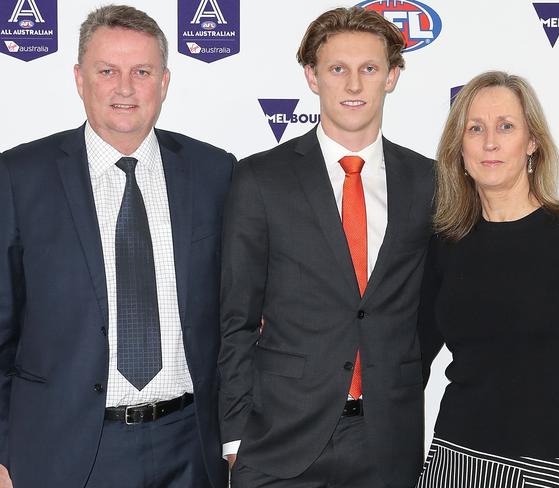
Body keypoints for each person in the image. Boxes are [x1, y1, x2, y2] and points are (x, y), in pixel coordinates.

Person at [0, 5, 234, 488]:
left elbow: (241, 318)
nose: (125, 88)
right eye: (107, 71)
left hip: (190, 446)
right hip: (62, 450)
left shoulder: (216, 173)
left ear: (164, 82)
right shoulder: (19, 177)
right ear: (79, 79)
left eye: (141, 72)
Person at [218, 7, 434, 488]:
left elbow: (432, 309)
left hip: (386, 442)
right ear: (312, 77)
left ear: (392, 77)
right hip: (278, 440)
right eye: (338, 69)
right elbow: (235, 318)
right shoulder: (260, 179)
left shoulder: (427, 182)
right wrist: (234, 436)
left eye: (369, 69)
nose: (354, 85)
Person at [417, 71, 559, 488]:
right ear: (460, 149)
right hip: (451, 460)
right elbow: (409, 357)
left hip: (543, 466)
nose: (490, 141)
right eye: (475, 128)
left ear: (532, 143)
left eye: (506, 126)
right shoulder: (446, 243)